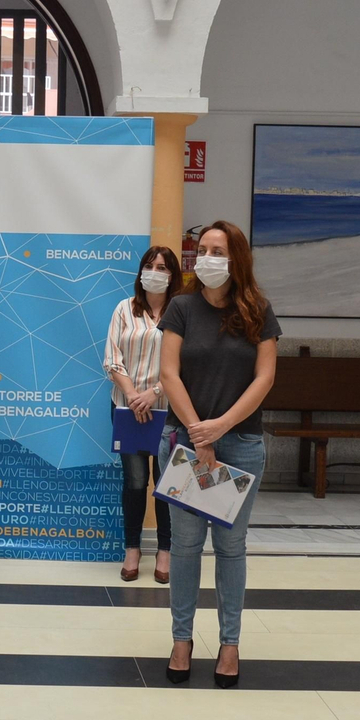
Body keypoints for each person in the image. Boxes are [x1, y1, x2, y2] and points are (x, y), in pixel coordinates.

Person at [158, 221, 279, 688]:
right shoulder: (181, 307)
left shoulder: (258, 310)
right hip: (187, 444)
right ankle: (181, 639)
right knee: (186, 545)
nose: (207, 258)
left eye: (218, 251)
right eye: (202, 250)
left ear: (237, 259)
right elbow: (169, 374)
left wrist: (221, 426)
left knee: (231, 547)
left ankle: (230, 644)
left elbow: (264, 378)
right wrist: (199, 433)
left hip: (240, 444)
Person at [104, 245, 181, 583]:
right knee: (135, 482)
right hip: (127, 407)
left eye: (162, 268)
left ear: (172, 275)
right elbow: (112, 358)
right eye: (149, 266)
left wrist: (155, 393)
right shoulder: (124, 308)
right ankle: (132, 548)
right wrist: (135, 396)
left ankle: (165, 550)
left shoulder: (182, 312)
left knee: (165, 483)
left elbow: (185, 362)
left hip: (168, 410)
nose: (155, 273)